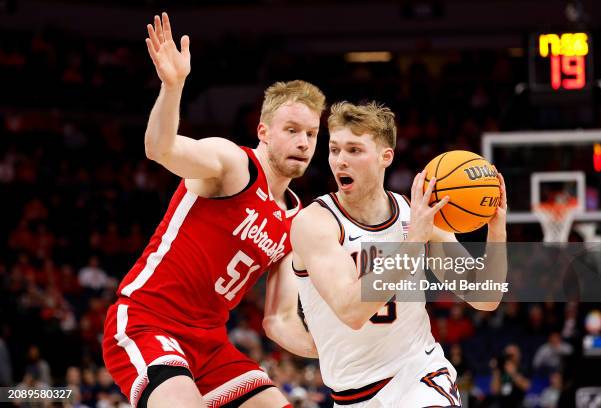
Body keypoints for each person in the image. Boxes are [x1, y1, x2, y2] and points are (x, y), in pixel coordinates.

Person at [102, 12, 325, 408]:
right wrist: (172, 87)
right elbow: (161, 149)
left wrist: (338, 351)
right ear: (263, 131)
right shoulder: (232, 164)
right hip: (147, 322)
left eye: (311, 133)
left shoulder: (296, 219)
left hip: (210, 344)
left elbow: (279, 321)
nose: (303, 142)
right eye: (292, 130)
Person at [286, 101, 507, 407]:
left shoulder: (417, 216)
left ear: (385, 156)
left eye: (354, 150)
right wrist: (413, 240)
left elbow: (485, 296)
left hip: (418, 373)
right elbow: (351, 311)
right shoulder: (316, 223)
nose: (340, 161)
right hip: (351, 394)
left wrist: (496, 231)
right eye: (335, 149)